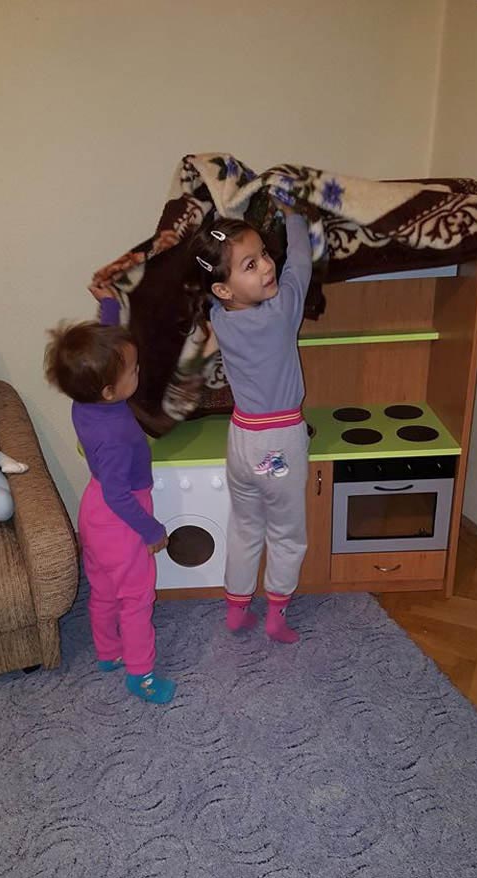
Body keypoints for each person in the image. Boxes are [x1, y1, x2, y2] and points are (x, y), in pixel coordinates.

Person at [187, 194, 313, 642]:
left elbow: (224, 278)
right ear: (223, 289)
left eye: (263, 255)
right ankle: (276, 612)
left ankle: (237, 608)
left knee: (245, 526)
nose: (266, 267)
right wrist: (294, 216)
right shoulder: (280, 313)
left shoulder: (220, 317)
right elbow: (301, 264)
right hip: (277, 446)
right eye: (250, 265)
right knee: (286, 532)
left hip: (241, 441)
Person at [44, 317, 176, 704]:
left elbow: (103, 355)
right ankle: (141, 674)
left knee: (103, 587)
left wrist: (107, 306)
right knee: (136, 598)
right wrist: (152, 530)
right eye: (133, 371)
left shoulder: (84, 401)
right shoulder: (115, 438)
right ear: (108, 390)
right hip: (123, 515)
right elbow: (120, 498)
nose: (138, 371)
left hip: (94, 508)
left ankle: (107, 651)